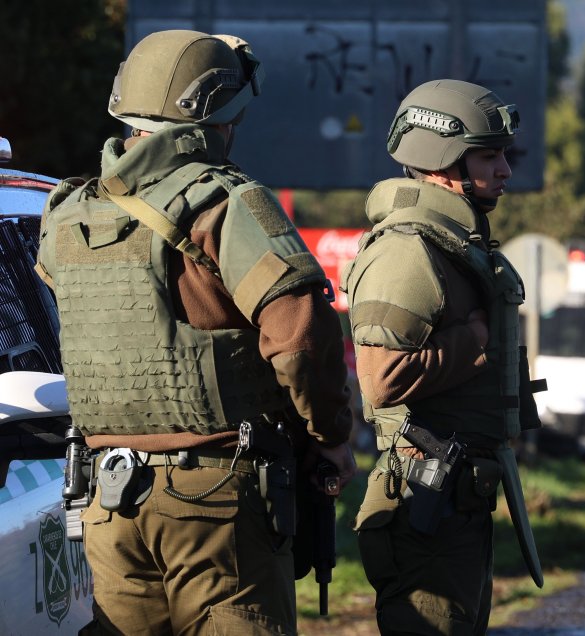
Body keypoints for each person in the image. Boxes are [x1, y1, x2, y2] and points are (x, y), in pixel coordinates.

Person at [36, 29, 356, 634]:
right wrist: (330, 436)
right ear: (216, 116)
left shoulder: (66, 214)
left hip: (107, 498)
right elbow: (301, 335)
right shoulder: (225, 203)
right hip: (215, 496)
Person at [342, 78, 544, 635]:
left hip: (455, 499)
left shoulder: (452, 245)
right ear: (441, 161)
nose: (505, 170)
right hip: (424, 503)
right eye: (489, 156)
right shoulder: (407, 250)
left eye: (503, 155)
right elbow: (380, 380)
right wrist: (474, 340)